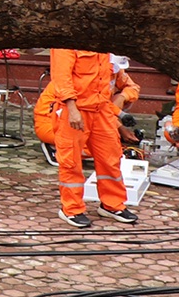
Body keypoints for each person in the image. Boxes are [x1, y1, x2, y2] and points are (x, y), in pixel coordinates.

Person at [40, 49, 135, 227]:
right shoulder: (65, 44)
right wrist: (72, 109)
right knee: (71, 161)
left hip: (101, 109)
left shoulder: (99, 41)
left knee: (111, 158)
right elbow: (62, 77)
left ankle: (112, 204)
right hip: (75, 109)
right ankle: (72, 209)